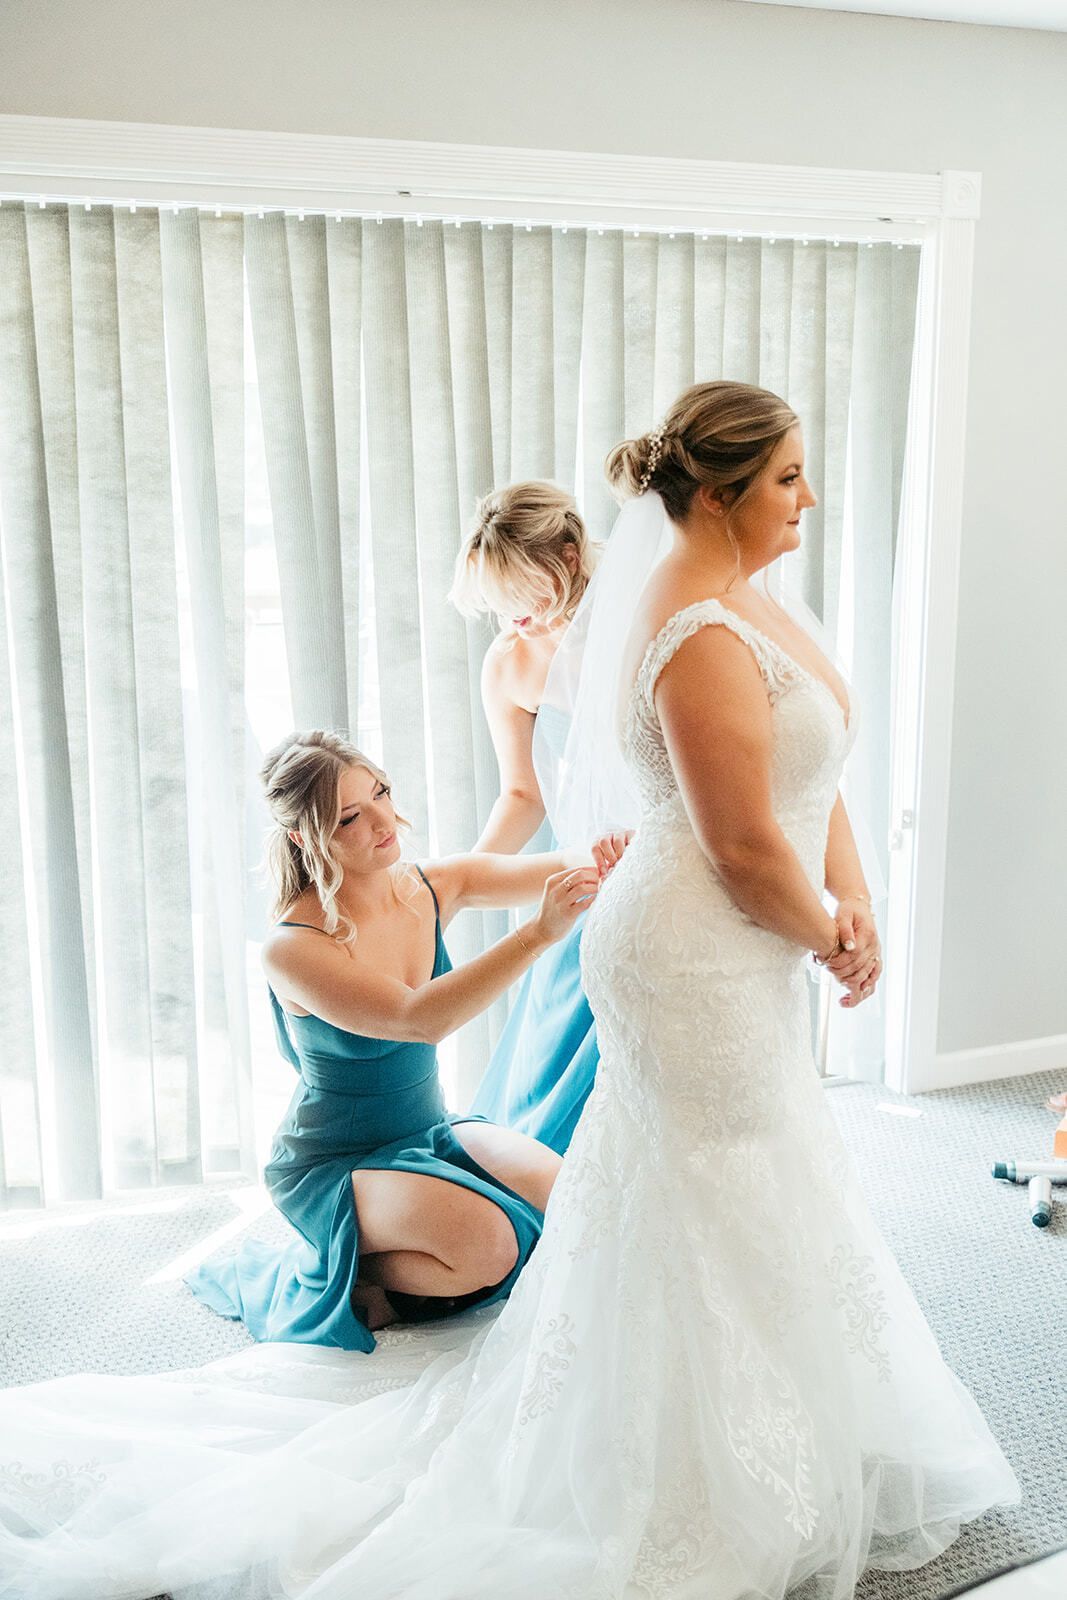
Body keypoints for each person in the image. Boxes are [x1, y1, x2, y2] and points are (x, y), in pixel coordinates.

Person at [0, 385, 1018, 1600]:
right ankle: (676, 1449)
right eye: (789, 476)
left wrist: (854, 913)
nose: (809, 497)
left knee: (751, 1181)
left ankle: (778, 1421)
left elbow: (817, 784)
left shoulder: (754, 605)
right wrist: (830, 937)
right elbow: (739, 847)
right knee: (707, 1186)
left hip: (755, 942)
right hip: (698, 951)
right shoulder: (689, 633)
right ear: (715, 491)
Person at [185, 729, 611, 1352]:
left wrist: (626, 845)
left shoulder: (432, 885)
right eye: (352, 816)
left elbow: (571, 866)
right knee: (489, 1248)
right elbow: (419, 1018)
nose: (384, 820)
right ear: (306, 837)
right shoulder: (292, 946)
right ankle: (341, 1269)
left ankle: (412, 1236)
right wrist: (538, 934)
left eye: (381, 792)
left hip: (426, 1127)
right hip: (333, 1161)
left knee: (571, 1199)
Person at [450, 483, 627, 1154]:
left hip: (669, 842)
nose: (512, 616)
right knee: (557, 1036)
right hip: (581, 858)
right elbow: (523, 796)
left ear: (571, 556)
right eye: (497, 598)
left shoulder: (638, 620)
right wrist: (461, 880)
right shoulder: (509, 662)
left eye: (525, 591)